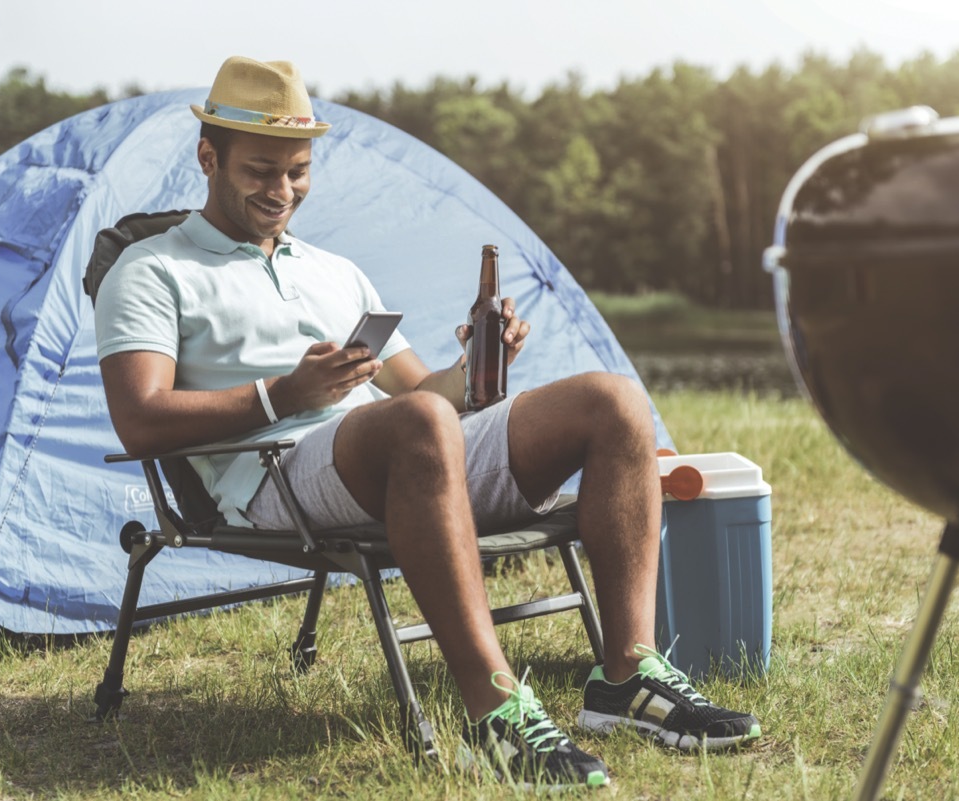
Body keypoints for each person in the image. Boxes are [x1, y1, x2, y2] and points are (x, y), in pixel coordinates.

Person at [94, 56, 761, 788]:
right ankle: (495, 711)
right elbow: (140, 419)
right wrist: (285, 393)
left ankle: (626, 677)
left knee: (613, 401)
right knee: (415, 426)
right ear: (208, 157)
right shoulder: (152, 270)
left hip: (402, 453)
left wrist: (474, 363)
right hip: (272, 473)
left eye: (298, 170)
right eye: (260, 170)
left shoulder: (334, 270)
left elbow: (427, 394)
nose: (281, 190)